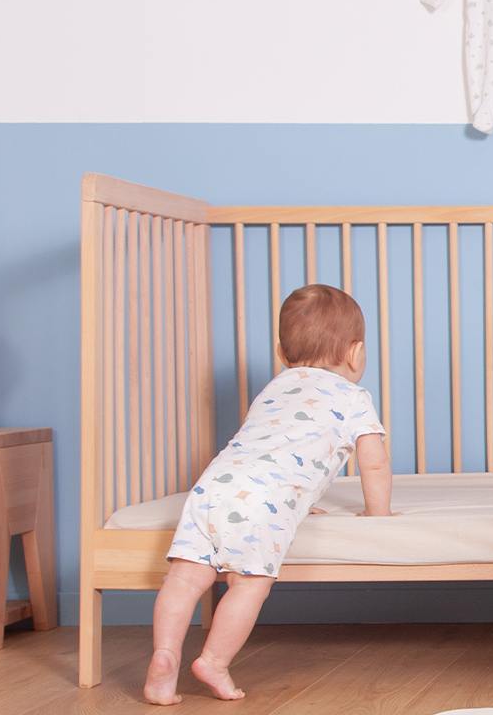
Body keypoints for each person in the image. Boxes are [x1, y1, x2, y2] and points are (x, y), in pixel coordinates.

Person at [144, 284, 398, 706]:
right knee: (247, 584)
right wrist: (379, 512)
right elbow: (374, 463)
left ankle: (164, 655)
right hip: (260, 502)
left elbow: (273, 449)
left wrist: (299, 497)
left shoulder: (275, 387)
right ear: (355, 353)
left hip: (212, 487)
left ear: (283, 354)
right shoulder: (353, 398)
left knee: (185, 578)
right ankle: (214, 661)